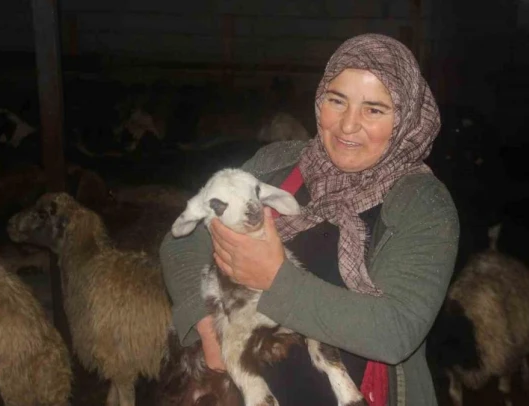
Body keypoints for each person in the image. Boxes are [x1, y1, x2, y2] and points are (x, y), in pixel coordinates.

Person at [160, 33, 459, 406]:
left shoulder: (423, 205)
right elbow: (181, 243)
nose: (347, 126)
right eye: (337, 100)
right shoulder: (277, 164)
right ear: (319, 100)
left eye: (374, 109)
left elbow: (395, 330)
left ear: (405, 118)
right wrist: (209, 331)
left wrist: (275, 278)